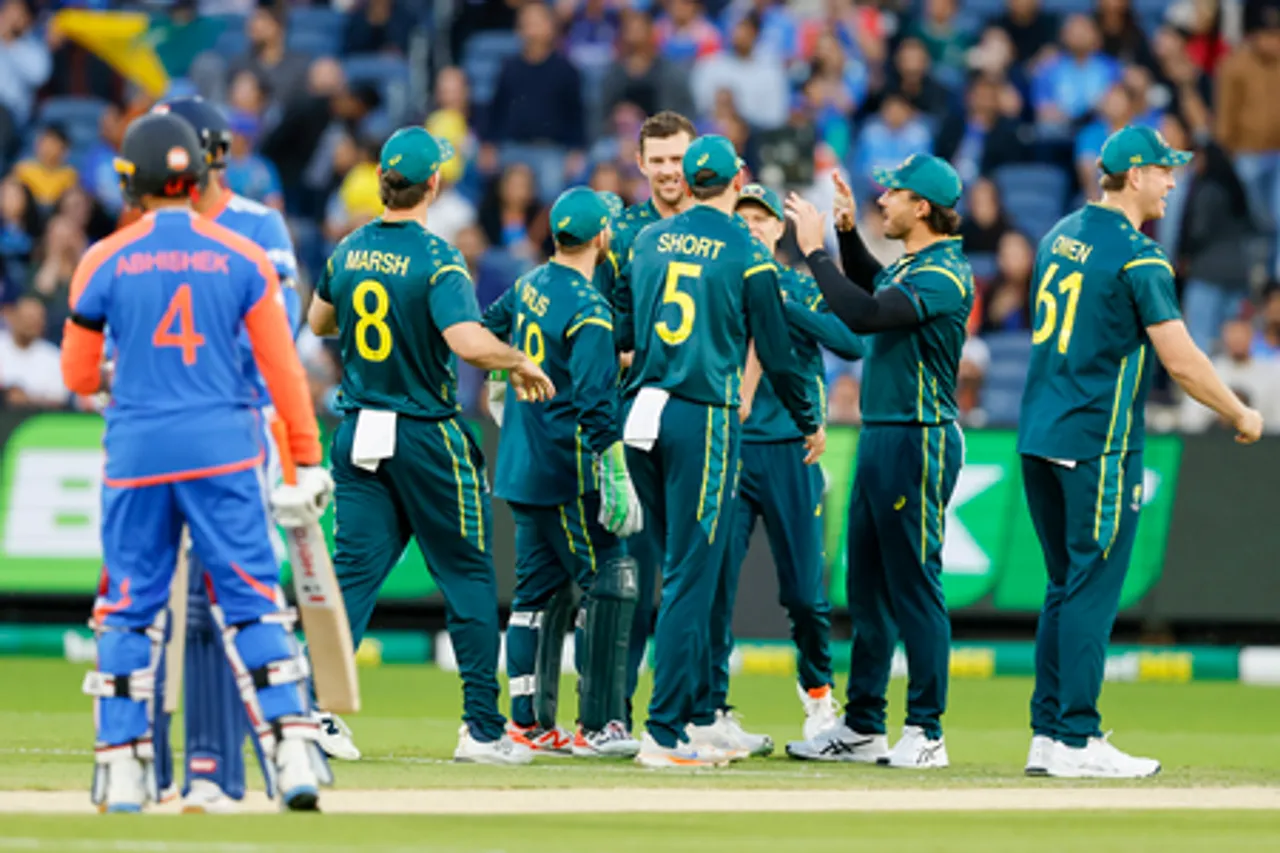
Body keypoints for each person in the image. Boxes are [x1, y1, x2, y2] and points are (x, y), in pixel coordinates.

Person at [63, 112, 332, 813]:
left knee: (127, 608)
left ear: (132, 181)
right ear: (200, 174)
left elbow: (78, 371)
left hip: (137, 452)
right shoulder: (241, 255)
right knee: (252, 601)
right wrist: (304, 458)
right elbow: (284, 371)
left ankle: (122, 766)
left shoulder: (103, 258)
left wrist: (126, 382)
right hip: (225, 448)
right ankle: (295, 751)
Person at [1017, 125, 1263, 778]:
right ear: (1133, 175)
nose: (1172, 182)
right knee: (1092, 588)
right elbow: (1180, 361)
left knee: (1064, 586)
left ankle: (1048, 733)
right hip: (1098, 442)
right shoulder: (1140, 257)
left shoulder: (1058, 234)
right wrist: (1239, 410)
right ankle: (1076, 736)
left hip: (1039, 432)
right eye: (1163, 170)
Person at [306, 126, 555, 766]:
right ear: (434, 185)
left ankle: (311, 711)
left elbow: (318, 322)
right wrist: (518, 360)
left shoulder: (349, 247)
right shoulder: (440, 258)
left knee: (350, 581)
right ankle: (481, 727)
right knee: (468, 574)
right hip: (423, 433)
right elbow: (468, 342)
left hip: (359, 428)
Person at [616, 134, 822, 768]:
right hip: (700, 413)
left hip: (641, 410)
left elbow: (623, 329)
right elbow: (779, 351)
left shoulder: (649, 238)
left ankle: (690, 716)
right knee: (689, 574)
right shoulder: (745, 248)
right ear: (737, 179)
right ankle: (668, 730)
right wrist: (809, 413)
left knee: (674, 570)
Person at [144, 95, 314, 814]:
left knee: (231, 594)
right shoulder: (149, 231)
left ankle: (246, 763)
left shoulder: (256, 225)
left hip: (243, 425)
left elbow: (279, 327)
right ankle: (165, 769)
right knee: (161, 603)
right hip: (169, 425)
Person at [784, 155, 975, 769]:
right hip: (883, 436)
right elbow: (876, 290)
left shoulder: (947, 273)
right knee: (866, 590)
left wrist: (814, 252)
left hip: (917, 440)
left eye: (893, 192)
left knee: (915, 586)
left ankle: (927, 730)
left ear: (923, 207)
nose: (882, 200)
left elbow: (866, 314)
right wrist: (843, 235)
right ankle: (864, 725)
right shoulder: (919, 264)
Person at [482, 186, 645, 758]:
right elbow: (597, 405)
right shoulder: (589, 310)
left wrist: (504, 375)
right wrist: (617, 473)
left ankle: (527, 723)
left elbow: (485, 329)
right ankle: (599, 724)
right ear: (602, 237)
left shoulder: (529, 284)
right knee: (612, 578)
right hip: (569, 469)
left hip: (521, 463)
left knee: (533, 595)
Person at [711, 184, 866, 747]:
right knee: (714, 584)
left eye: (763, 219)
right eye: (743, 216)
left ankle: (820, 698)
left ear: (779, 230)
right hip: (725, 446)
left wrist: (785, 306)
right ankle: (711, 706)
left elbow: (854, 343)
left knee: (804, 590)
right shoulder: (715, 284)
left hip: (791, 450)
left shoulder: (800, 284)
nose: (753, 225)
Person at [593, 109, 697, 734]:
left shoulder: (721, 227)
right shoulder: (623, 235)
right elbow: (601, 329)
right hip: (636, 421)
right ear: (640, 164)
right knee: (633, 571)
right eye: (656, 159)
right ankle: (612, 712)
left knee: (702, 567)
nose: (667, 171)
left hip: (703, 419)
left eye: (677, 158)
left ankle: (701, 706)